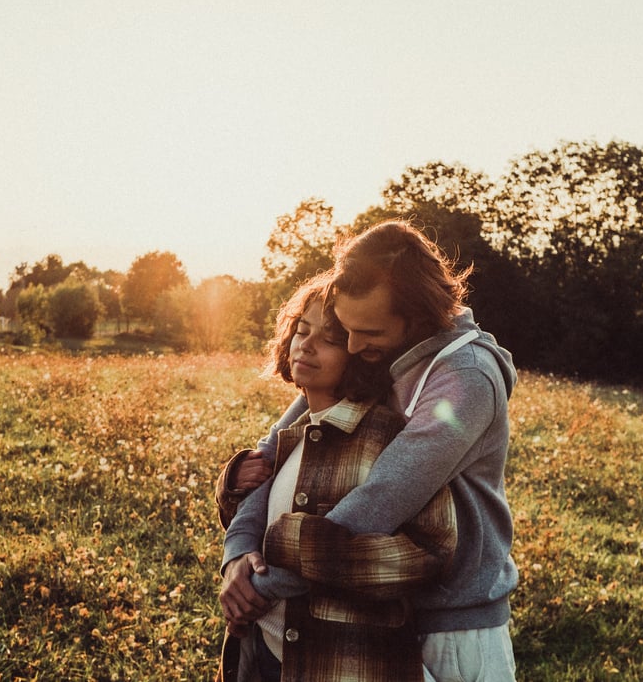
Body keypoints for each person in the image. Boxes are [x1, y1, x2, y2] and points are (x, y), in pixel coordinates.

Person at [218, 220, 519, 682]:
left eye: (367, 333)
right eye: (348, 331)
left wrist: (261, 587)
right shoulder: (382, 352)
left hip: (453, 625)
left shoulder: (466, 378)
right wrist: (238, 552)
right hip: (378, 614)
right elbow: (275, 453)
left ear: (417, 317)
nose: (355, 347)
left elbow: (378, 501)